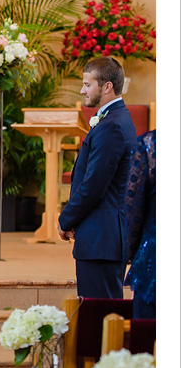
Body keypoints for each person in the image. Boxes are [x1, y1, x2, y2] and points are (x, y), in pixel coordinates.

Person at [58, 57, 137, 298]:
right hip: (101, 237)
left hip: (101, 239)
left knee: (101, 316)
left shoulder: (111, 125)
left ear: (107, 87)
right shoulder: (113, 119)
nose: (82, 90)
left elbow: (94, 185)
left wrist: (66, 219)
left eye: (87, 84)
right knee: (100, 315)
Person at [123, 130, 155, 319]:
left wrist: (129, 252)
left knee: (149, 339)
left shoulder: (150, 144)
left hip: (155, 257)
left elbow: (133, 208)